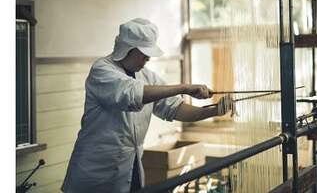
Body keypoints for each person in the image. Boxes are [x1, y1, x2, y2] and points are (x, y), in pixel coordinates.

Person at [61, 18, 234, 193]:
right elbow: (132, 94)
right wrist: (184, 87)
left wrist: (215, 111)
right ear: (127, 49)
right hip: (96, 172)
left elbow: (175, 108)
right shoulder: (102, 71)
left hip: (131, 166)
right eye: (144, 53)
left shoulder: (146, 76)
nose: (148, 58)